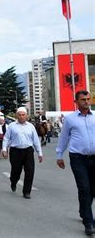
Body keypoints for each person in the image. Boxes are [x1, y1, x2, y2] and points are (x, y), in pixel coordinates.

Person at [56, 90, 95, 236]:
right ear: (76, 102)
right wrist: (59, 155)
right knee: (84, 188)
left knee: (92, 189)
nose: (86, 101)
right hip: (78, 158)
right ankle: (88, 222)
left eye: (88, 99)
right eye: (83, 99)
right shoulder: (70, 119)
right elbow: (64, 138)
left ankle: (84, 211)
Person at [2, 107, 43, 199]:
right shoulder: (12, 126)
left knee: (30, 171)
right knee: (16, 171)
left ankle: (26, 192)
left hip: (28, 151)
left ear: (26, 116)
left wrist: (40, 153)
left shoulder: (31, 127)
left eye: (23, 115)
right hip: (15, 151)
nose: (21, 117)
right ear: (17, 116)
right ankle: (13, 181)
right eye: (19, 115)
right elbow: (6, 138)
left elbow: (36, 140)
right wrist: (4, 149)